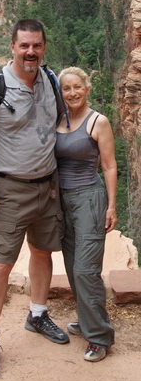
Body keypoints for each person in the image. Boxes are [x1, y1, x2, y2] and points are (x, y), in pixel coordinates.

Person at [0, 19, 69, 379]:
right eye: (24, 45)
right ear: (12, 46)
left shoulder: (51, 80)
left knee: (43, 252)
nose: (30, 52)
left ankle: (37, 314)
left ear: (44, 47)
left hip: (47, 185)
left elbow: (62, 123)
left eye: (36, 46)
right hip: (8, 189)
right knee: (0, 264)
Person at [55, 66, 118, 362]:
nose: (72, 93)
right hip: (62, 201)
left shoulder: (98, 121)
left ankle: (99, 337)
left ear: (87, 88)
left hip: (90, 200)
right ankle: (86, 319)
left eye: (77, 87)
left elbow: (109, 165)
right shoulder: (58, 118)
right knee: (71, 266)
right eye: (66, 88)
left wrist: (112, 205)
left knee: (85, 270)